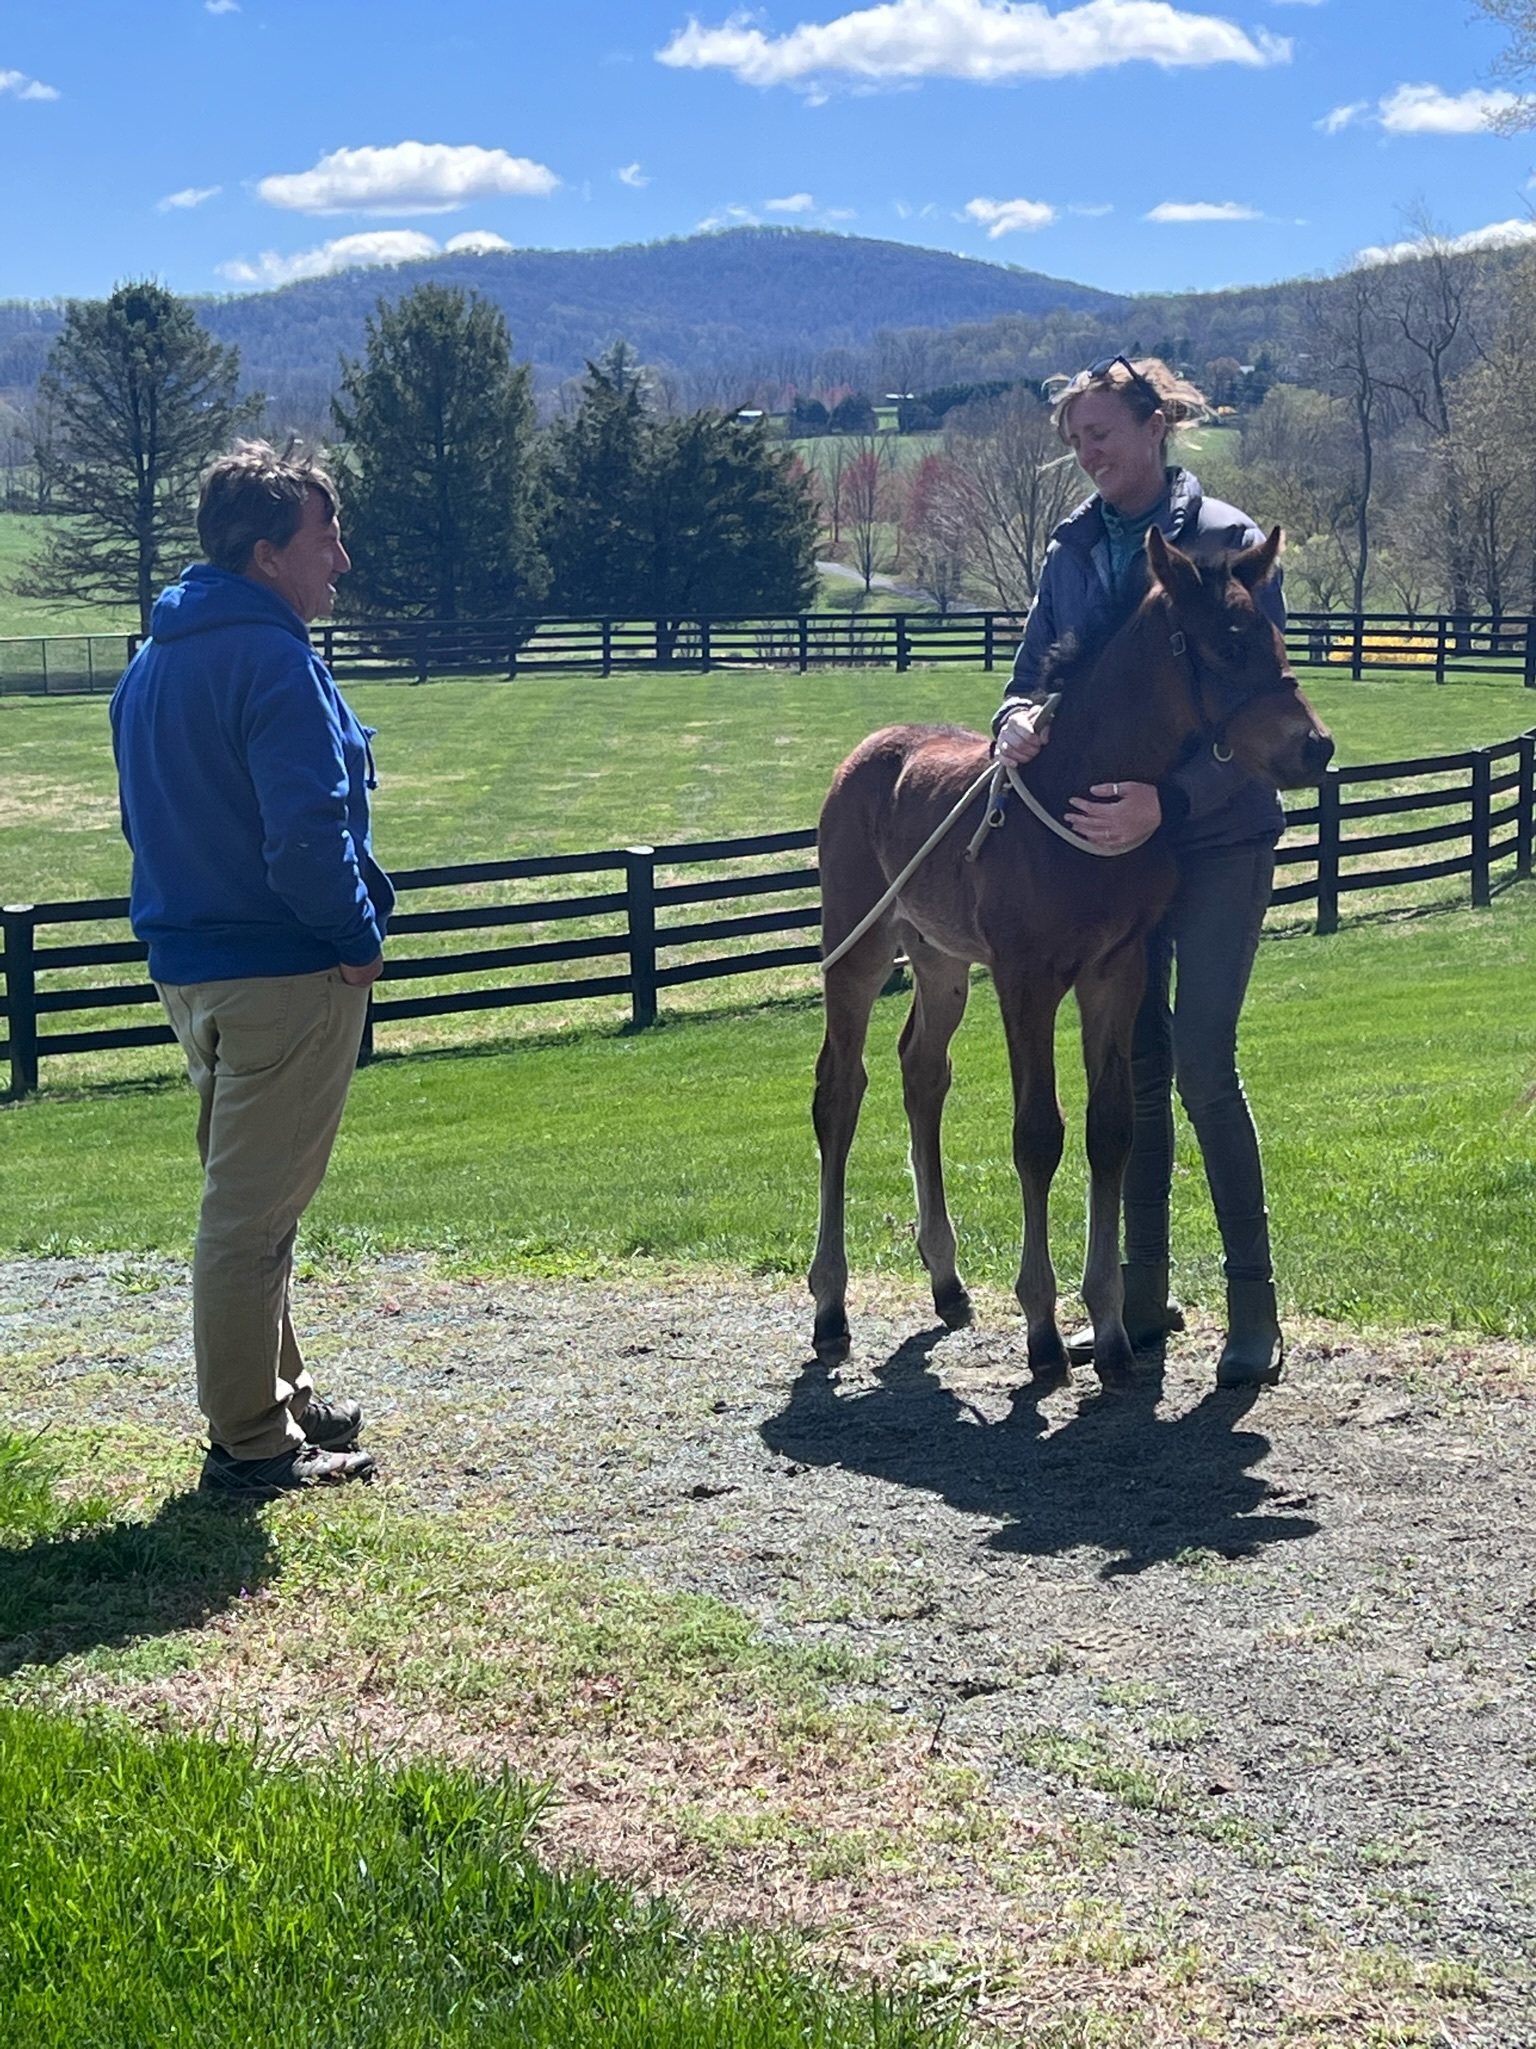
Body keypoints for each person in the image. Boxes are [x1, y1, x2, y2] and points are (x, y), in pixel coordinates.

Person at [993, 356, 1287, 1386]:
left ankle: (1254, 1310)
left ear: (1156, 426)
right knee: (1136, 1066)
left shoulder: (1230, 541)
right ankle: (1142, 1297)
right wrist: (1013, 721)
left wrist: (1173, 800)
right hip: (1117, 855)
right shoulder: (1073, 547)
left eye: (1103, 434)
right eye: (1077, 439)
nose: (1088, 453)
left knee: (1203, 1060)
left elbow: (1261, 705)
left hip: (1217, 833)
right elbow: (1029, 674)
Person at [111, 441, 394, 1494]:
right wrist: (358, 941)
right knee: (251, 1218)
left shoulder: (153, 663)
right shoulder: (275, 662)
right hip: (283, 975)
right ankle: (252, 1441)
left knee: (251, 1198)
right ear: (269, 554)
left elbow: (144, 822)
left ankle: (280, 1394)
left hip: (192, 970)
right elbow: (306, 841)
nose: (342, 560)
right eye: (326, 538)